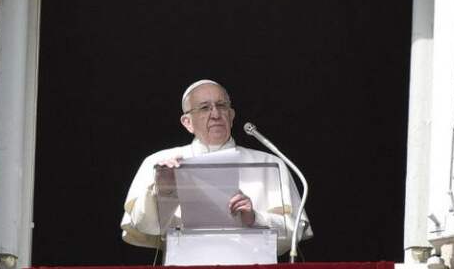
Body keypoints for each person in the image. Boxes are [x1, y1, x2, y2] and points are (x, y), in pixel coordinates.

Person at [121, 79, 311, 255]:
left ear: (231, 114)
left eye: (221, 106)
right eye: (205, 108)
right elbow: (144, 226)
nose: (216, 114)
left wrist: (254, 218)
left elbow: (295, 233)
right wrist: (164, 190)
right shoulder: (159, 162)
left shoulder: (269, 163)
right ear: (187, 122)